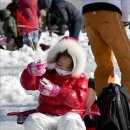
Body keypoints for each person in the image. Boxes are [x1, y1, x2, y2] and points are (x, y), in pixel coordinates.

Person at [20, 36, 88, 130]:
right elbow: (29, 85)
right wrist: (30, 72)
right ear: (54, 60)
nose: (63, 69)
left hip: (70, 113)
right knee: (33, 121)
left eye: (68, 67)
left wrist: (57, 92)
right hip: (46, 114)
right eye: (59, 65)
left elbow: (78, 100)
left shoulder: (80, 78)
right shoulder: (46, 72)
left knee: (72, 123)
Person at [81, 0, 130, 96]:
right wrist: (125, 20)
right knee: (127, 59)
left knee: (103, 63)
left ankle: (105, 101)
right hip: (109, 12)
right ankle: (127, 101)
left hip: (88, 14)